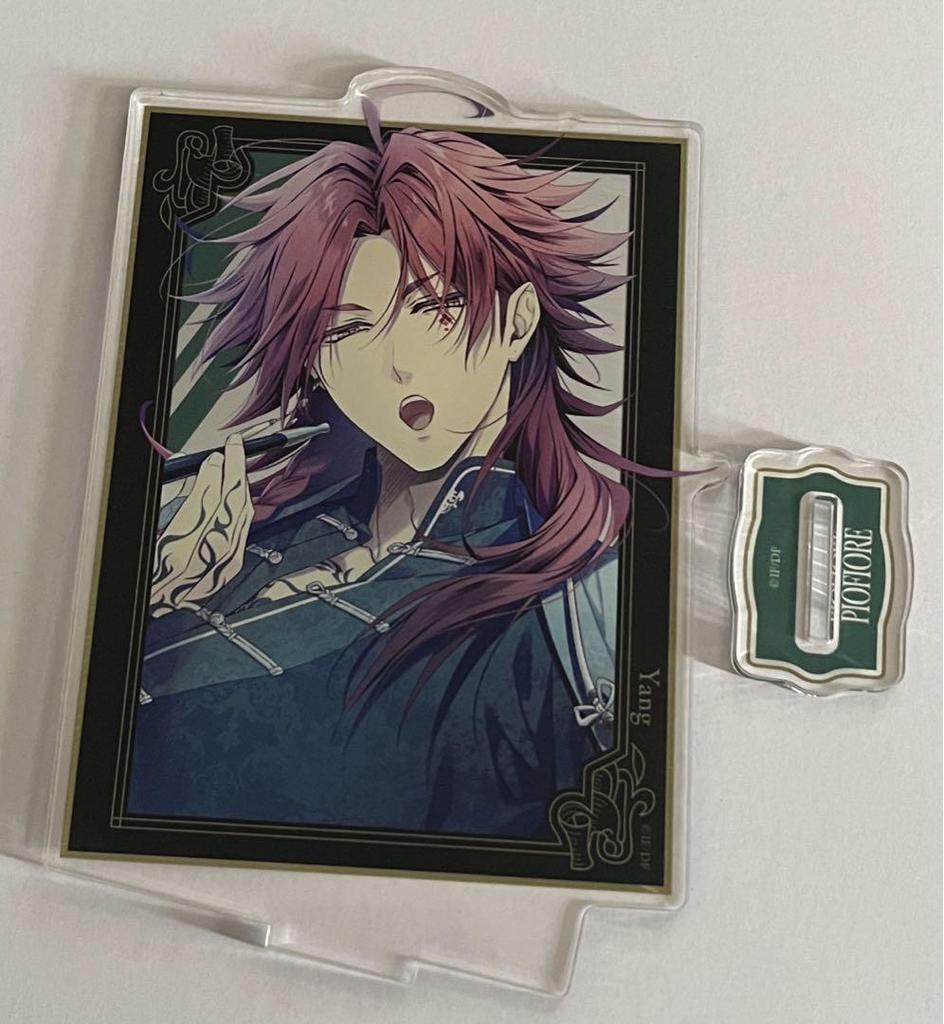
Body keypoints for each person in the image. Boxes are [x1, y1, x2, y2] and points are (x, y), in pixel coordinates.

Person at [128, 116, 646, 838]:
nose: (397, 365)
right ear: (315, 361)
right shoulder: (243, 533)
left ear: (518, 320)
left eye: (434, 309)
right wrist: (157, 597)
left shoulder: (577, 603)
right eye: (346, 330)